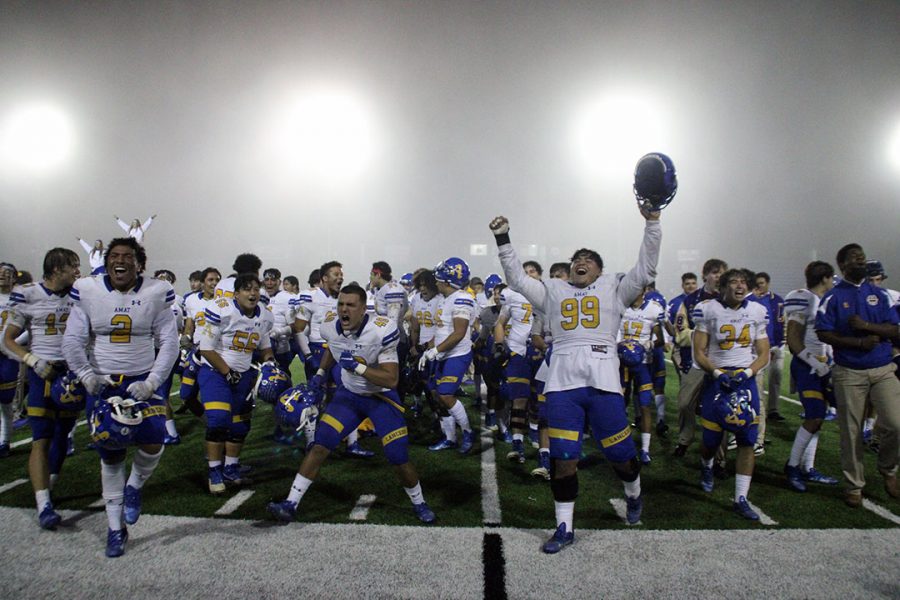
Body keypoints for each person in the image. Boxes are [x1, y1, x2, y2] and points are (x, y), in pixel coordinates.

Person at [489, 201, 662, 552]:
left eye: (588, 259)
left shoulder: (615, 287)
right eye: (576, 259)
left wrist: (653, 223)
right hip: (563, 385)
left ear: (599, 269)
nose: (580, 262)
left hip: (603, 384)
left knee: (622, 459)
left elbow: (645, 269)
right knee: (563, 459)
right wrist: (503, 239)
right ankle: (564, 527)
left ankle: (633, 494)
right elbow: (517, 279)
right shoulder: (553, 291)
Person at [267, 284, 436, 524]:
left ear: (362, 309)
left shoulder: (381, 330)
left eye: (350, 305)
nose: (344, 309)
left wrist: (358, 367)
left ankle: (420, 503)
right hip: (349, 396)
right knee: (319, 445)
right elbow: (332, 347)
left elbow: (391, 378)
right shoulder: (329, 327)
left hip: (381, 398)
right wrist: (320, 374)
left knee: (397, 455)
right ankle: (290, 503)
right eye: (341, 304)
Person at [61, 237, 178, 558]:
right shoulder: (88, 289)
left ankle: (135, 487)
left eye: (127, 256)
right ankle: (115, 529)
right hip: (103, 382)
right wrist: (87, 375)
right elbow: (72, 339)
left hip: (142, 380)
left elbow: (169, 342)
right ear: (106, 261)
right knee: (110, 454)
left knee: (154, 441)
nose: (119, 261)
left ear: (139, 263)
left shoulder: (156, 291)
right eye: (114, 256)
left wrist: (153, 381)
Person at [815, 243, 900, 507]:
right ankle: (854, 485)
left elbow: (895, 330)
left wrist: (866, 327)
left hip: (883, 368)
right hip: (849, 371)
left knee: (896, 423)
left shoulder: (881, 294)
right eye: (854, 258)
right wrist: (857, 343)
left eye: (862, 256)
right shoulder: (833, 297)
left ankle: (888, 469)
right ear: (842, 265)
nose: (861, 260)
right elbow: (823, 332)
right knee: (851, 432)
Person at [2, 248, 81, 529]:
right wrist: (33, 361)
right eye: (72, 265)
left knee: (62, 436)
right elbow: (8, 340)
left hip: (71, 373)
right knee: (40, 437)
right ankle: (43, 503)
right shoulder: (27, 293)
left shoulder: (79, 294)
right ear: (56, 268)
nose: (77, 271)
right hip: (42, 371)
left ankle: (50, 487)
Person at [692, 268, 770, 520]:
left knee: (748, 439)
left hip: (745, 380)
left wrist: (747, 374)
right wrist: (717, 374)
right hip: (718, 380)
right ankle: (706, 466)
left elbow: (764, 352)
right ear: (723, 286)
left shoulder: (756, 310)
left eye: (743, 282)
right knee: (711, 441)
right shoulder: (707, 309)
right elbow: (700, 351)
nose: (740, 286)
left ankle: (741, 497)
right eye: (734, 282)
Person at [198, 273, 274, 492]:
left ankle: (231, 469)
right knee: (219, 419)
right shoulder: (223, 309)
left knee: (240, 424)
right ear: (237, 293)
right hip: (215, 372)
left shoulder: (265, 316)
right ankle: (214, 471)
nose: (253, 293)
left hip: (244, 374)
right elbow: (206, 348)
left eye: (256, 289)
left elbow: (265, 346)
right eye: (247, 289)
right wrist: (227, 372)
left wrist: (269, 363)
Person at [782, 261, 840, 493]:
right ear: (825, 278)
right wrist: (815, 363)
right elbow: (793, 339)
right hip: (808, 365)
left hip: (822, 365)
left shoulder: (822, 300)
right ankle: (793, 466)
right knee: (814, 416)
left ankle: (808, 466)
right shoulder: (804, 298)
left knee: (819, 417)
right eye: (831, 277)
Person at [420, 257, 477, 454]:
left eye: (438, 279)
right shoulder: (447, 299)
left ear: (447, 281)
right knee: (437, 395)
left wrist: (435, 350)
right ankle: (450, 438)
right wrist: (428, 348)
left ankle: (468, 432)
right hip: (443, 353)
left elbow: (459, 333)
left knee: (445, 394)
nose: (435, 282)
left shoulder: (462, 298)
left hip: (456, 354)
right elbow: (443, 330)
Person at [672, 259, 728, 457]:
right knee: (685, 403)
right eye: (714, 272)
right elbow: (680, 332)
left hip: (721, 362)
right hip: (696, 361)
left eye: (722, 273)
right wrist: (702, 338)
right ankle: (685, 439)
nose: (718, 276)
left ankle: (720, 457)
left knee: (720, 408)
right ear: (705, 275)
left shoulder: (729, 300)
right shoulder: (691, 300)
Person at [619, 285, 665, 464]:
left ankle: (645, 448)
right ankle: (622, 441)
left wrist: (647, 345)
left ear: (643, 290)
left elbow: (660, 339)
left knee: (645, 404)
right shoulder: (620, 306)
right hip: (621, 363)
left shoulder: (653, 308)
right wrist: (620, 346)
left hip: (643, 364)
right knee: (620, 402)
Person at [751, 272, 786, 450]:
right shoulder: (750, 301)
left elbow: (780, 322)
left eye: (762, 283)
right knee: (758, 391)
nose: (759, 287)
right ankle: (756, 435)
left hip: (774, 346)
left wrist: (779, 343)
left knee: (775, 380)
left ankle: (760, 433)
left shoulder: (776, 300)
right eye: (756, 284)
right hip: (759, 349)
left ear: (768, 283)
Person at [0, 262, 22, 456]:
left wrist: (11, 345)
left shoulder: (20, 299)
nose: (2, 275)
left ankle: (5, 441)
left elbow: (29, 328)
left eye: (7, 273)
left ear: (14, 277)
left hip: (7, 355)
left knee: (6, 400)